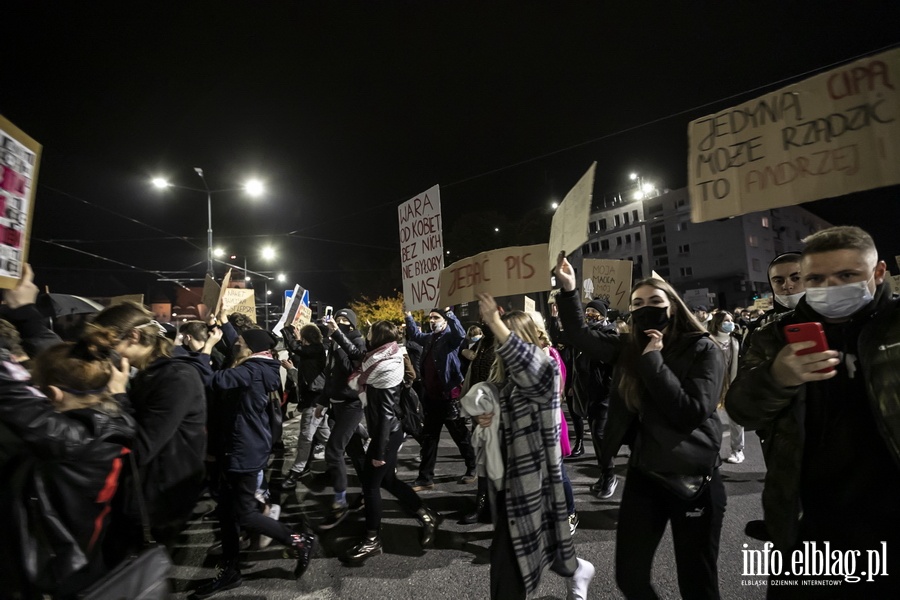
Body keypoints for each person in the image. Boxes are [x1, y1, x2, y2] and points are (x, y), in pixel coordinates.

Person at [726, 226, 900, 596]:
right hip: (806, 524)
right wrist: (777, 377)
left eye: (847, 275)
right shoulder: (774, 335)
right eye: (817, 278)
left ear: (879, 272)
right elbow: (742, 409)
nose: (831, 286)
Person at [555, 252, 726, 599]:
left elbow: (689, 411)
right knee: (629, 577)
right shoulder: (627, 346)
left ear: (673, 306)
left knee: (697, 585)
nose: (646, 307)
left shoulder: (703, 348)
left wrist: (653, 360)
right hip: (644, 475)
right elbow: (579, 334)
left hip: (693, 480)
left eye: (655, 301)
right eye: (638, 303)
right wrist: (569, 290)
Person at [0, 267, 135, 598]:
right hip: (84, 560)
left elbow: (12, 395)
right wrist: (25, 315)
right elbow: (69, 362)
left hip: (53, 574)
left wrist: (22, 312)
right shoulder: (114, 418)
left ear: (54, 395)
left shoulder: (70, 440)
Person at [472, 294, 594, 600]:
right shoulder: (504, 380)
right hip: (505, 486)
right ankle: (575, 569)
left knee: (511, 569)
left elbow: (532, 366)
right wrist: (486, 420)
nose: (502, 344)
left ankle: (575, 569)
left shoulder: (546, 369)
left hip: (532, 486)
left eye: (508, 337)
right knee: (532, 553)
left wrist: (494, 321)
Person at [196, 326, 315, 597]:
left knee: (244, 512)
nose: (235, 343)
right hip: (237, 448)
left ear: (250, 348)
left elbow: (212, 380)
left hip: (245, 452)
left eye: (239, 340)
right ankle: (231, 571)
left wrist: (204, 350)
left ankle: (298, 539)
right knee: (227, 512)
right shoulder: (258, 364)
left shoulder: (252, 370)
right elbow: (237, 343)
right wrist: (224, 324)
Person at [92, 301, 210, 554]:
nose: (105, 354)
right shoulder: (147, 373)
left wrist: (118, 396)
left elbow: (141, 448)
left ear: (133, 336)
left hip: (157, 502)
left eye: (109, 346)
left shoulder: (176, 377)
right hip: (142, 493)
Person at [329, 320, 440, 563]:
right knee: (388, 480)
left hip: (386, 433)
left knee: (370, 485)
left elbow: (385, 415)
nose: (367, 335)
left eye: (370, 332)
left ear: (377, 337)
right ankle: (426, 514)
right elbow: (358, 354)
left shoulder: (385, 367)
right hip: (387, 431)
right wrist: (337, 333)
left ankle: (372, 540)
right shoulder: (380, 356)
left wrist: (378, 452)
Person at [552, 297, 619, 498]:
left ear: (603, 315)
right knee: (597, 436)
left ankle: (610, 475)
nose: (589, 316)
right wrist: (555, 317)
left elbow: (613, 367)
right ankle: (604, 474)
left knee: (599, 434)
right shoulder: (585, 335)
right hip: (586, 392)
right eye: (587, 312)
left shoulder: (609, 334)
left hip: (603, 395)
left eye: (593, 313)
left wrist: (607, 388)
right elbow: (560, 338)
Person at [405, 308, 477, 490]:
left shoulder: (450, 338)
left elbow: (461, 334)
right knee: (429, 438)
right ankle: (425, 477)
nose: (432, 321)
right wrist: (408, 316)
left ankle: (473, 467)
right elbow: (414, 334)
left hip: (449, 396)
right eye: (430, 318)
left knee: (460, 435)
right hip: (432, 397)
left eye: (436, 317)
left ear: (445, 321)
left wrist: (450, 313)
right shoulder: (429, 338)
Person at [315, 308, 368, 528]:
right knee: (355, 452)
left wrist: (338, 335)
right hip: (336, 405)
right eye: (337, 319)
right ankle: (370, 489)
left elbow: (352, 363)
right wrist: (322, 401)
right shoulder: (334, 343)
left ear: (352, 324)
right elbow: (331, 374)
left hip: (352, 404)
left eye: (345, 320)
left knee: (333, 450)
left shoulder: (357, 341)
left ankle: (340, 502)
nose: (339, 322)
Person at [282, 323, 330, 487]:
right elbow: (304, 377)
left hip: (315, 400)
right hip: (314, 398)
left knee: (306, 437)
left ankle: (296, 471)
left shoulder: (316, 349)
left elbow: (297, 349)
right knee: (325, 435)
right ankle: (349, 451)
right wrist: (290, 368)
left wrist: (288, 332)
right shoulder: (311, 354)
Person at [708, 311, 743, 464]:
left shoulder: (735, 341)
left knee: (736, 419)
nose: (730, 323)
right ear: (717, 323)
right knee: (710, 419)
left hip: (732, 383)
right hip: (713, 384)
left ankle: (738, 450)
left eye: (731, 320)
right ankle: (710, 452)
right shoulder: (708, 341)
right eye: (726, 321)